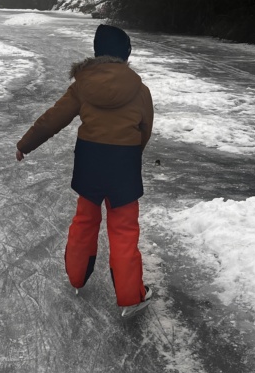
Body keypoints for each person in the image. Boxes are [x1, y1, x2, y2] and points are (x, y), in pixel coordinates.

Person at [16, 24, 154, 318]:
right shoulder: (139, 90)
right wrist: (132, 154)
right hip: (124, 164)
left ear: (97, 53)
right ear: (125, 54)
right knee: (124, 230)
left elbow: (54, 118)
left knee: (85, 221)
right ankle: (131, 297)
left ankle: (77, 278)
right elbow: (145, 129)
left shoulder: (82, 85)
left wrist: (26, 144)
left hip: (90, 161)